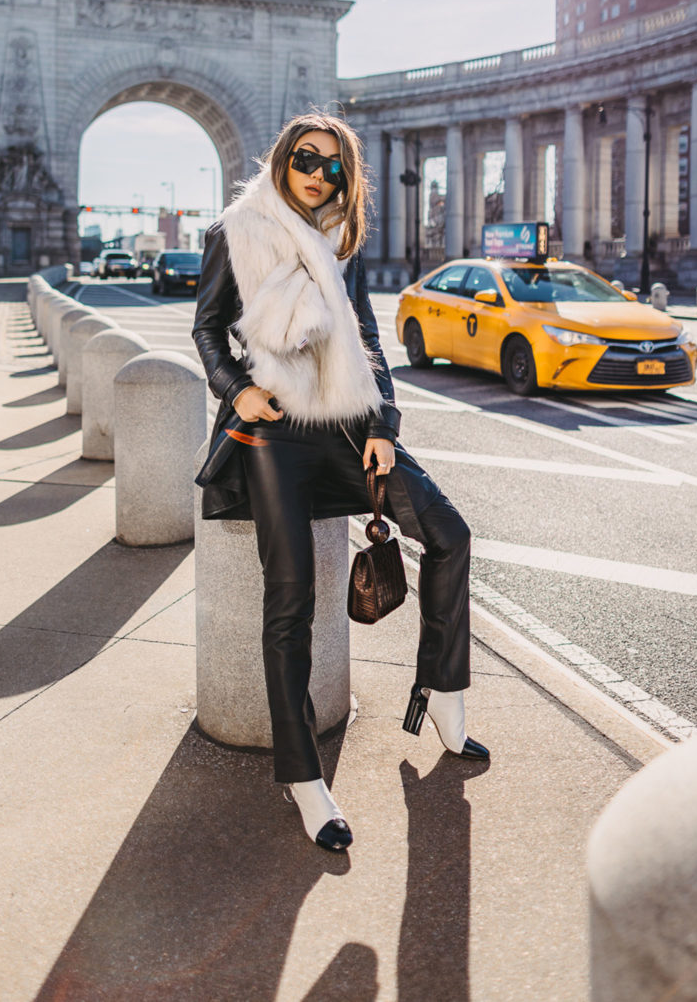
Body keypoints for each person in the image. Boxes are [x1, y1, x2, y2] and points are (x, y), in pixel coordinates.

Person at [192, 112, 488, 853]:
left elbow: (366, 336)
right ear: (281, 158)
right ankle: (303, 777)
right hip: (272, 433)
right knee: (290, 597)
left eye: (334, 168)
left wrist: (384, 424)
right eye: (306, 159)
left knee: (450, 535)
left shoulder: (341, 243)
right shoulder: (237, 230)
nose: (319, 175)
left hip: (349, 427)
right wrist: (235, 389)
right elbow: (206, 326)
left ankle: (442, 695)